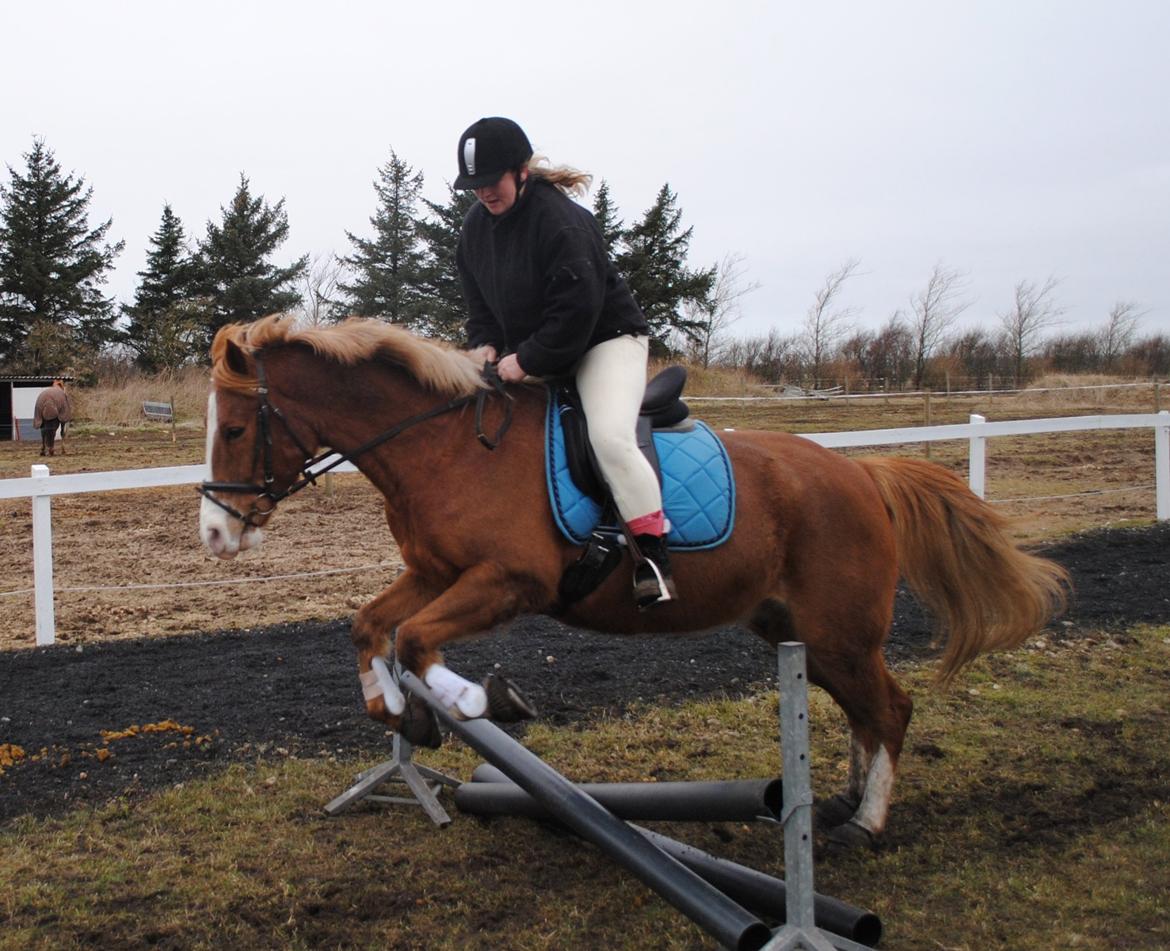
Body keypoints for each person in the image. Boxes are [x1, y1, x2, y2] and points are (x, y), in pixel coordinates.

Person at [454, 116, 676, 608]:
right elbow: (481, 310)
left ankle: (653, 558)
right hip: (540, 349)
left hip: (604, 341)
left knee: (610, 438)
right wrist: (487, 346)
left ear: (521, 171)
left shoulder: (561, 222)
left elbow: (576, 314)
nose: (484, 193)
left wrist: (524, 360)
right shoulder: (474, 230)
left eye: (492, 182)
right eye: (475, 186)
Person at [33, 379, 72, 457]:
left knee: (44, 428)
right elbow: (64, 415)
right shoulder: (62, 394)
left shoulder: (45, 392)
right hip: (54, 409)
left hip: (41, 403)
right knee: (52, 429)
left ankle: (43, 447)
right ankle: (53, 447)